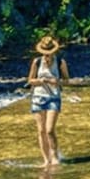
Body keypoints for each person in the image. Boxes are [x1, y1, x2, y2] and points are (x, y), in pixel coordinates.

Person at [27, 35, 70, 166]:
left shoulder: (60, 62)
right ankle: (46, 160)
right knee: (41, 130)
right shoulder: (37, 62)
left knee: (49, 129)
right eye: (45, 54)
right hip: (38, 98)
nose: (47, 56)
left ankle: (55, 156)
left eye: (49, 54)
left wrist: (55, 81)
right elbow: (30, 80)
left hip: (54, 98)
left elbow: (67, 80)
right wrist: (40, 81)